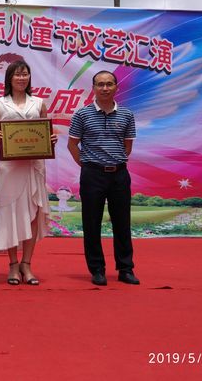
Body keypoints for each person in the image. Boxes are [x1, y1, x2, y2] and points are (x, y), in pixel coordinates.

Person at [0, 60, 56, 286]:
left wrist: (51, 139)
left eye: (25, 74)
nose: (21, 78)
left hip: (34, 166)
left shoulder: (39, 103)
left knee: (33, 213)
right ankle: (13, 265)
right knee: (10, 213)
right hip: (10, 168)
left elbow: (46, 132)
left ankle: (27, 263)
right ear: (9, 78)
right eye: (17, 74)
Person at [67, 70, 139, 286]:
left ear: (116, 87)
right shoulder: (82, 114)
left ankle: (125, 269)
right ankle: (97, 269)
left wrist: (114, 161)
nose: (105, 88)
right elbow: (72, 145)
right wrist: (87, 164)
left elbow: (127, 146)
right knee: (91, 223)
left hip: (119, 174)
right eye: (100, 84)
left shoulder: (127, 115)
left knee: (122, 223)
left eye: (109, 84)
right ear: (93, 88)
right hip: (92, 174)